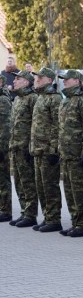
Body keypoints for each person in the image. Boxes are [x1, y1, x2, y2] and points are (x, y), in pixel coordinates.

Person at [29, 68, 63, 232]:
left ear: (49, 80)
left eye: (40, 78)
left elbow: (57, 126)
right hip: (38, 149)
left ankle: (54, 218)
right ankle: (47, 216)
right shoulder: (40, 98)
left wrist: (53, 149)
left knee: (50, 185)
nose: (37, 80)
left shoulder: (54, 99)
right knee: (41, 185)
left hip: (48, 150)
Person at [8, 70, 38, 227]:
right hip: (16, 146)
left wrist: (30, 145)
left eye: (17, 79)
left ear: (26, 82)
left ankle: (31, 214)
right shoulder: (18, 99)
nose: (14, 82)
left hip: (25, 146)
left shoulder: (32, 98)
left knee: (28, 182)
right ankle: (24, 211)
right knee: (19, 181)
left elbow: (35, 123)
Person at [0, 81, 12, 221]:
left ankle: (5, 210)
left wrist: (2, 148)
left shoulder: (3, 100)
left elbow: (4, 126)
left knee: (3, 179)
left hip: (1, 146)